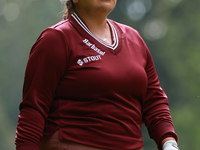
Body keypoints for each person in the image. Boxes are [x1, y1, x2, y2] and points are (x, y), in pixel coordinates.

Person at [15, 0, 180, 150]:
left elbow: (154, 101)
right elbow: (33, 111)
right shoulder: (57, 39)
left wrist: (169, 143)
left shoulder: (134, 39)